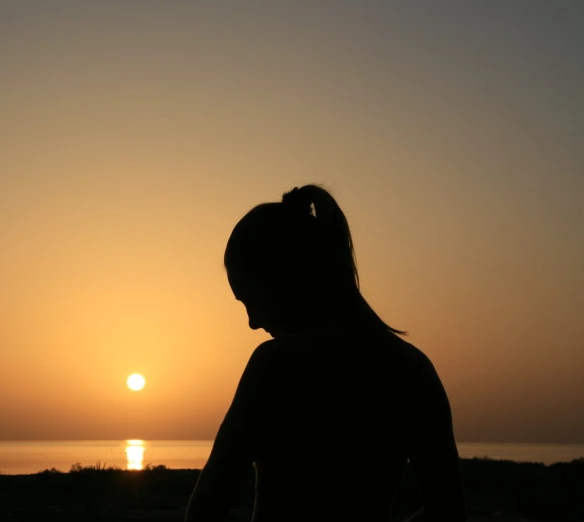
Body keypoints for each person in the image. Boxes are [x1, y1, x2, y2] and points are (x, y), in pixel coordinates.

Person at [185, 184, 466, 522]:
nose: (253, 321)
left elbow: (207, 505)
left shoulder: (275, 366)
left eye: (251, 299)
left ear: (286, 279)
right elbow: (449, 511)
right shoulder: (414, 370)